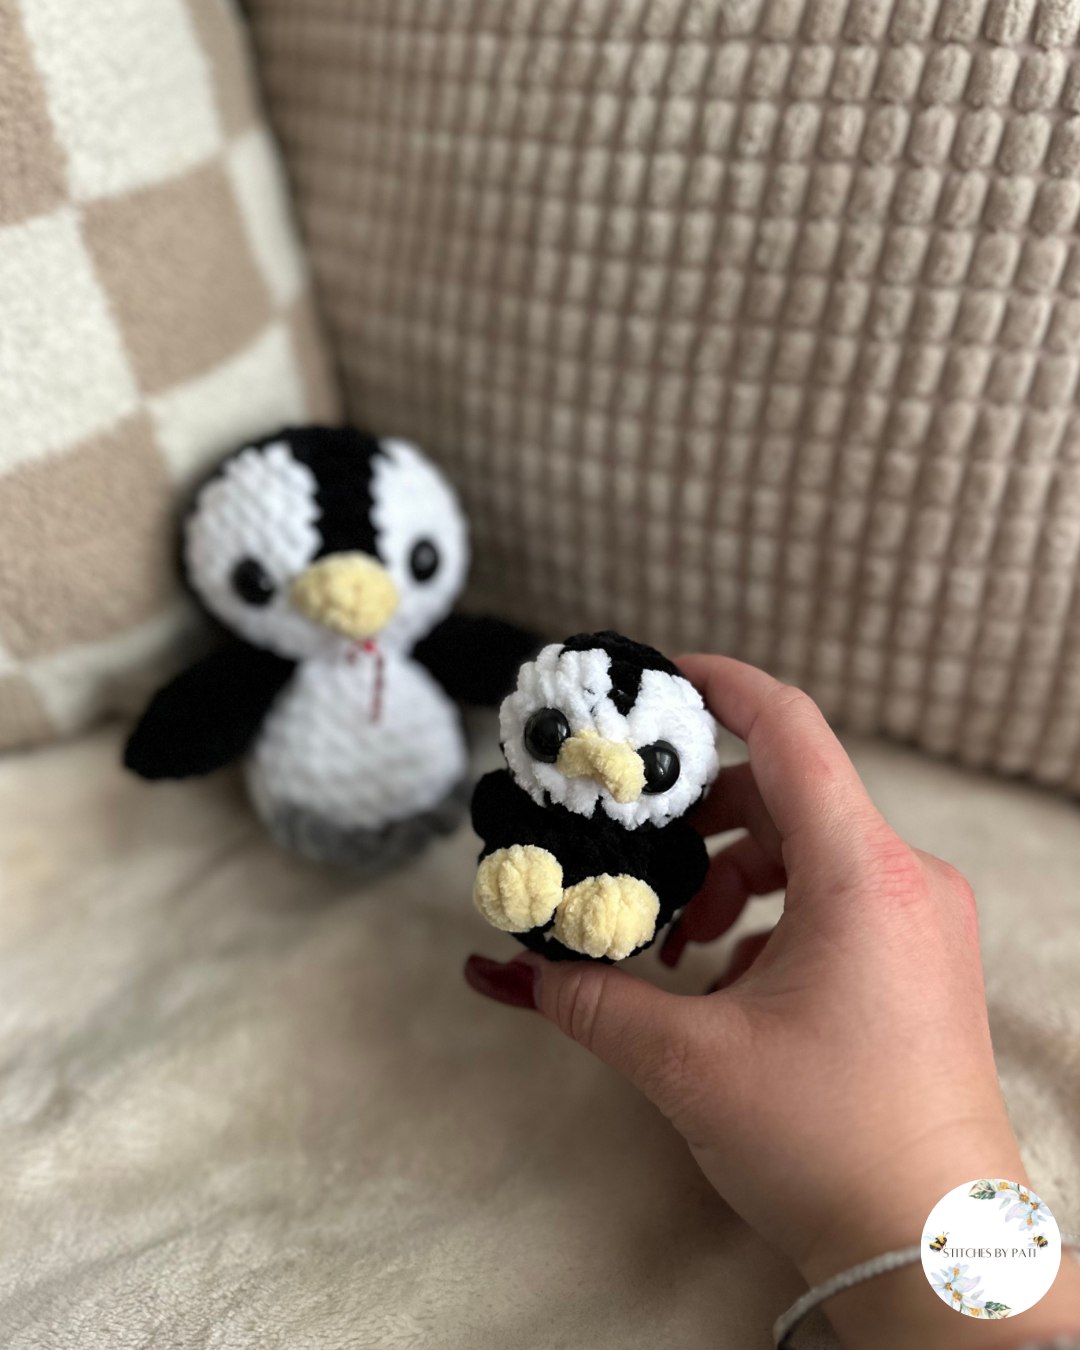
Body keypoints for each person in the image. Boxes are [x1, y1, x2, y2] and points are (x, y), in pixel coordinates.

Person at [465, 654, 1080, 1349]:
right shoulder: (519, 793)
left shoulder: (667, 837)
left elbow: (677, 866)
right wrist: (940, 1165)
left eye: (658, 764)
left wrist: (909, 1188)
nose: (602, 766)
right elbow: (494, 806)